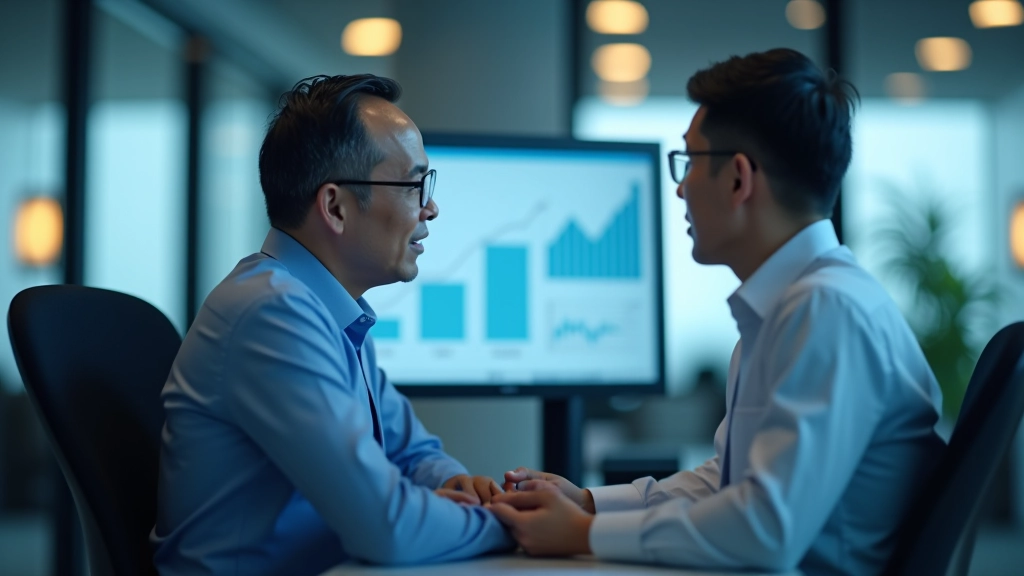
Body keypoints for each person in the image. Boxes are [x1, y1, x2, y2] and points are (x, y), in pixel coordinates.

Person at [489, 48, 946, 576]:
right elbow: (731, 482)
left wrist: (585, 534)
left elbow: (764, 530)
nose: (680, 188)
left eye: (689, 163)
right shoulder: (793, 307)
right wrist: (590, 503)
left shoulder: (825, 311)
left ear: (737, 179)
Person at [151, 75, 513, 575]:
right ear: (336, 207)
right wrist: (512, 525)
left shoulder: (329, 310)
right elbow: (387, 526)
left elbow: (412, 452)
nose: (430, 207)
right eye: (413, 185)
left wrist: (456, 485)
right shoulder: (272, 315)